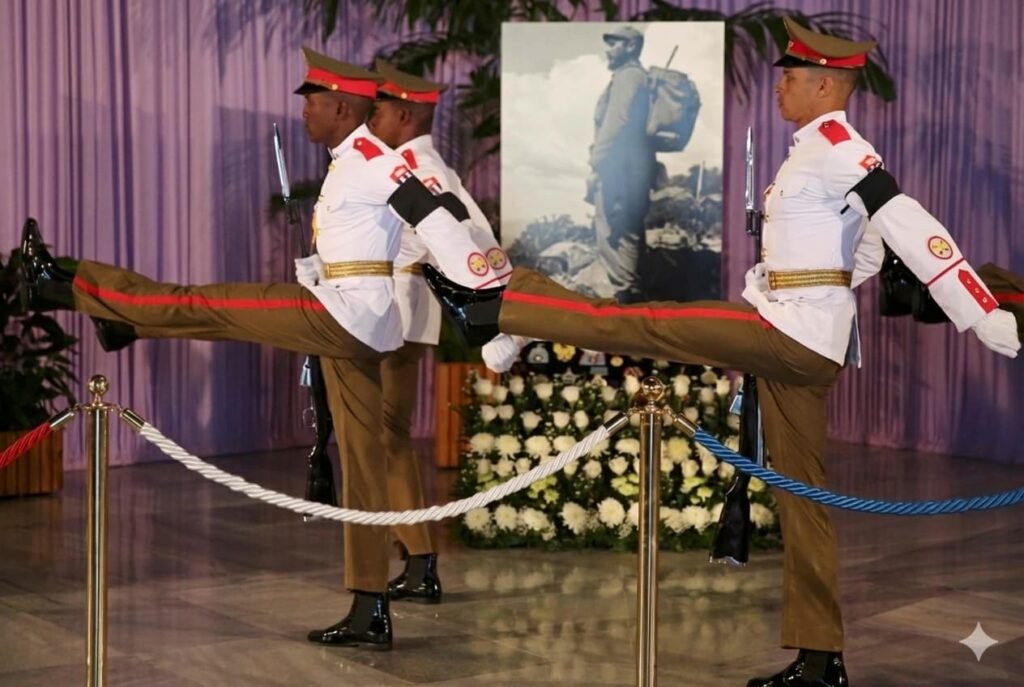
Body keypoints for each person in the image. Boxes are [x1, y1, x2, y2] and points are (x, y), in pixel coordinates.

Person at [423, 17, 1020, 686]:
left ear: (826, 83)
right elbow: (870, 247)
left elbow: (914, 227)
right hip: (798, 329)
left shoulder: (840, 151)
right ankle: (820, 658)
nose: (780, 86)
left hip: (787, 335)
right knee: (806, 498)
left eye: (791, 77)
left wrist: (981, 311)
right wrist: (808, 283)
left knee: (643, 324)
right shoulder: (815, 151)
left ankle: (496, 305)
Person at [17, 46, 497, 652]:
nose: (304, 115)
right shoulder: (358, 158)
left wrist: (477, 294)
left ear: (342, 107)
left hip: (340, 316)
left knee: (201, 304)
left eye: (314, 104)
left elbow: (441, 215)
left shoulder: (370, 161)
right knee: (364, 458)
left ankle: (65, 283)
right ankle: (370, 605)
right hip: (358, 315)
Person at [359, 60, 513, 605]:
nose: (369, 116)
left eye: (376, 109)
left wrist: (493, 310)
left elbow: (468, 234)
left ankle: (418, 557)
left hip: (397, 307)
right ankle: (417, 557)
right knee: (387, 439)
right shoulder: (404, 163)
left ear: (403, 114)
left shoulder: (418, 168)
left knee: (386, 437)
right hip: (393, 305)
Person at [589, 25, 656, 303]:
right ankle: (628, 292)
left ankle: (627, 295)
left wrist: (596, 159)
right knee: (622, 227)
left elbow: (617, 121)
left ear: (630, 47)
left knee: (619, 230)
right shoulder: (632, 77)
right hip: (629, 167)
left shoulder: (629, 77)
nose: (608, 49)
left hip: (622, 169)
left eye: (614, 43)